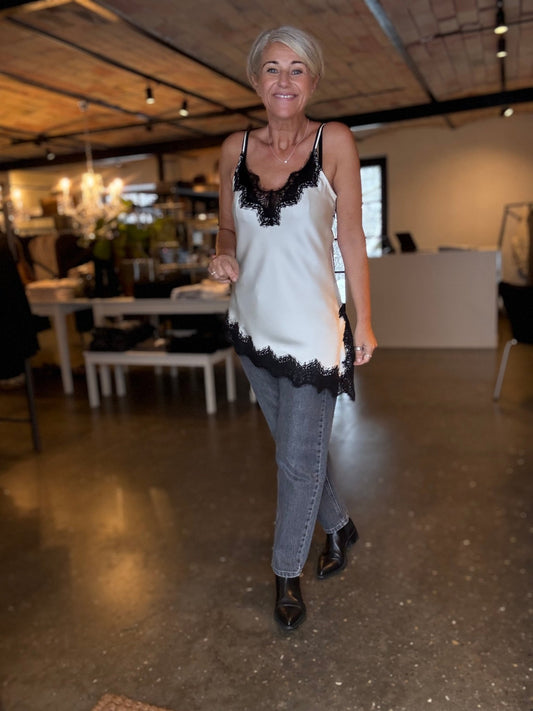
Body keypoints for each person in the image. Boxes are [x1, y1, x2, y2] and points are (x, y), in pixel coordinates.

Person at [208, 26, 377, 630]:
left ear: (313, 81)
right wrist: (222, 253)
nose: (285, 80)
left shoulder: (335, 142)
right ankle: (340, 526)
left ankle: (285, 574)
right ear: (257, 81)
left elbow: (351, 236)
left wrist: (364, 320)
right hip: (252, 328)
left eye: (297, 69)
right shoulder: (233, 148)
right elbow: (227, 226)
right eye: (273, 69)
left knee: (297, 464)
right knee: (295, 451)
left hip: (312, 333)